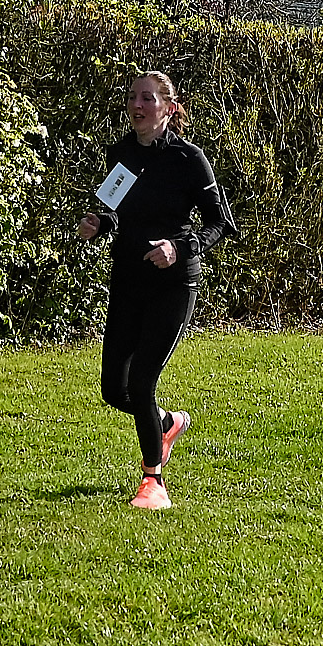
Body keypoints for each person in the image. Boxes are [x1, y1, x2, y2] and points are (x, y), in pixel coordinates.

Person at [78, 70, 236, 510]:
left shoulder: (189, 159)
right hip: (129, 280)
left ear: (168, 107)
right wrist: (100, 223)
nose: (137, 105)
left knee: (143, 379)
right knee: (115, 390)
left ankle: (153, 483)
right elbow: (118, 210)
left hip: (174, 283)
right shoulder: (122, 153)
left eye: (147, 98)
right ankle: (166, 424)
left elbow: (221, 223)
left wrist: (178, 247)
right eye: (133, 97)